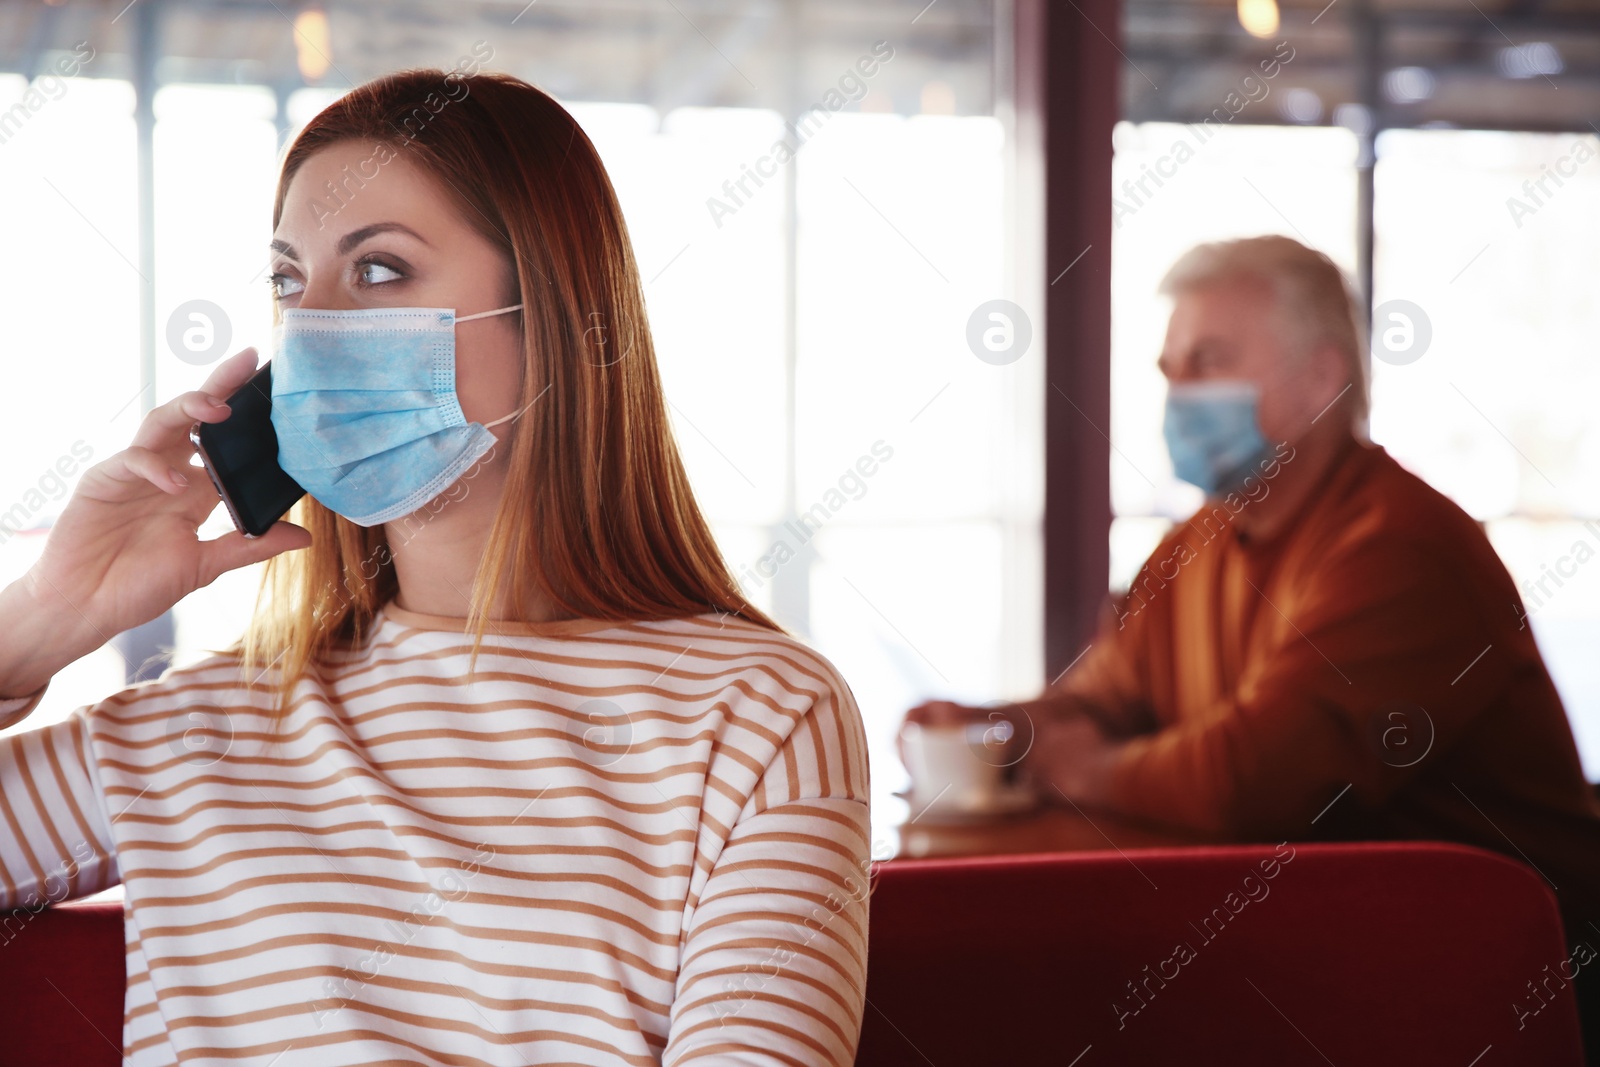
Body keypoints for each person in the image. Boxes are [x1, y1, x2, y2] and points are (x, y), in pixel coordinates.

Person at [0, 69, 870, 1066]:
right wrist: (40, 617)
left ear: (549, 315)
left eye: (378, 271)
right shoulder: (190, 730)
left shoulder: (760, 715)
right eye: (289, 281)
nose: (312, 326)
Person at [904, 234, 1600, 1055]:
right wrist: (993, 730)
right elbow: (1103, 700)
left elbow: (1248, 782)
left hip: (1497, 983)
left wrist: (1069, 764)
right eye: (1169, 370)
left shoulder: (1400, 546)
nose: (1176, 394)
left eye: (1209, 361)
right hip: (1303, 949)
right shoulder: (1198, 542)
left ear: (1320, 378)